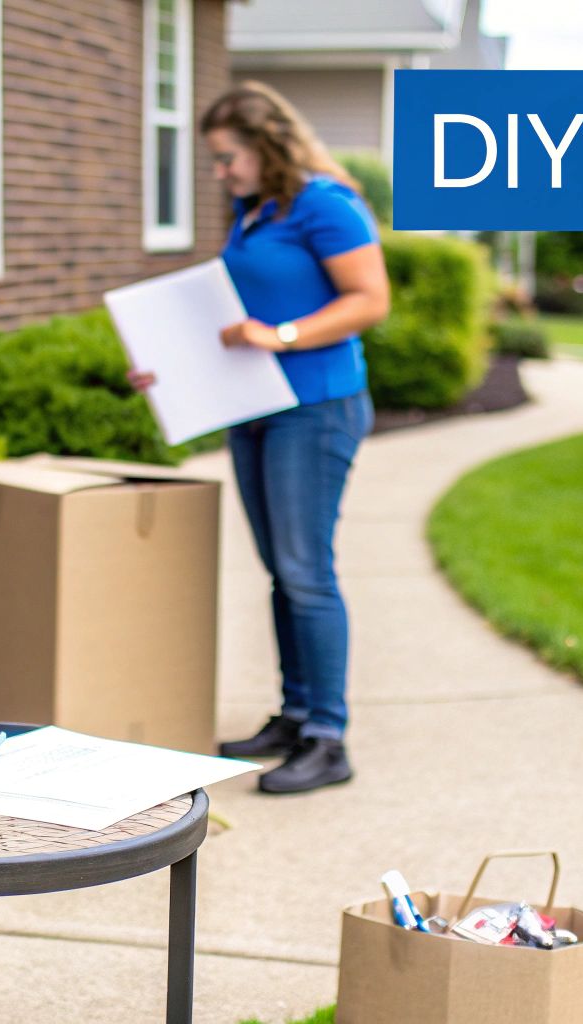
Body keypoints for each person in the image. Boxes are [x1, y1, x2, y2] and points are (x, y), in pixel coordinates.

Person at [130, 83, 389, 794]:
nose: (220, 174)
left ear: (265, 144)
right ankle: (295, 713)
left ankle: (328, 738)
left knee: (307, 571)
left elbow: (370, 300)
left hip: (317, 408)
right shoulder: (256, 213)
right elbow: (234, 313)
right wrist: (170, 364)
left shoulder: (326, 203)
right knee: (282, 569)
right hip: (256, 406)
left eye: (226, 158)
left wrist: (280, 337)